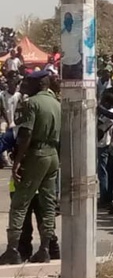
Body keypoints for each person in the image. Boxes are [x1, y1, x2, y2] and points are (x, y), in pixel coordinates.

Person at [0, 71, 60, 265]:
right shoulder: (56, 103)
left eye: (28, 81)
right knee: (47, 204)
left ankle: (13, 249)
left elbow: (25, 134)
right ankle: (45, 248)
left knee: (20, 202)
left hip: (36, 154)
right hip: (52, 155)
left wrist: (17, 161)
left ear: (40, 83)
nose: (24, 84)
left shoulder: (31, 103)